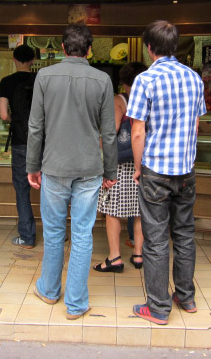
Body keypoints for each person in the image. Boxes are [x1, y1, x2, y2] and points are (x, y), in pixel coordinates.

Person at [26, 24, 118, 320]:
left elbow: (35, 126)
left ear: (63, 49)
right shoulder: (102, 80)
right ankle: (76, 304)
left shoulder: (44, 76)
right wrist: (111, 169)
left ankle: (50, 291)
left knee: (53, 232)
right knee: (82, 233)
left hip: (53, 166)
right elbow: (109, 132)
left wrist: (32, 166)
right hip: (90, 169)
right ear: (89, 50)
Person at [126, 20, 206, 325]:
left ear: (149, 48)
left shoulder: (146, 80)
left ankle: (158, 307)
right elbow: (196, 127)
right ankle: (185, 297)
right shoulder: (194, 78)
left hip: (155, 171)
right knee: (184, 233)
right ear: (175, 46)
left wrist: (137, 167)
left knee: (156, 238)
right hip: (185, 171)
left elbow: (137, 132)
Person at [93, 61, 147, 273]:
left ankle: (115, 257)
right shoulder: (148, 99)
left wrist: (103, 159)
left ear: (124, 82)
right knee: (140, 210)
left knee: (112, 211)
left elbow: (110, 132)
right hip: (142, 162)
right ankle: (138, 255)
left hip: (120, 164)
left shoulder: (119, 100)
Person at [0, 44, 37, 249]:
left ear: (14, 59)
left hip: (21, 141)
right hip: (44, 143)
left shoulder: (7, 82)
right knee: (51, 188)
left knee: (22, 188)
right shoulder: (41, 79)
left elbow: (4, 115)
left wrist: (17, 121)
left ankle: (27, 236)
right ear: (32, 60)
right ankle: (55, 235)